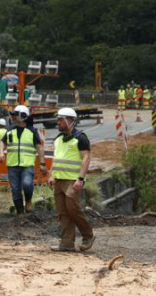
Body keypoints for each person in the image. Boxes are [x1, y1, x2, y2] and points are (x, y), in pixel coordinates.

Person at [49, 107, 94, 252]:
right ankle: (67, 243)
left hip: (72, 181)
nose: (58, 122)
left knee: (73, 209)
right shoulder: (58, 139)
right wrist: (51, 175)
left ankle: (88, 235)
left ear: (70, 120)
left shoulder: (80, 137)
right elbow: (55, 159)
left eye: (60, 120)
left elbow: (86, 158)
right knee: (62, 212)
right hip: (59, 180)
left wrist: (80, 179)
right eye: (58, 119)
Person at [0, 105, 45, 218]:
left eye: (16, 115)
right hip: (12, 164)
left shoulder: (32, 131)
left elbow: (39, 147)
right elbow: (2, 142)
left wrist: (42, 163)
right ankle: (20, 213)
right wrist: (1, 152)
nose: (13, 117)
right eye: (13, 115)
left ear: (23, 116)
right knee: (15, 190)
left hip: (27, 164)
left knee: (27, 184)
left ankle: (28, 200)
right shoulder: (10, 130)